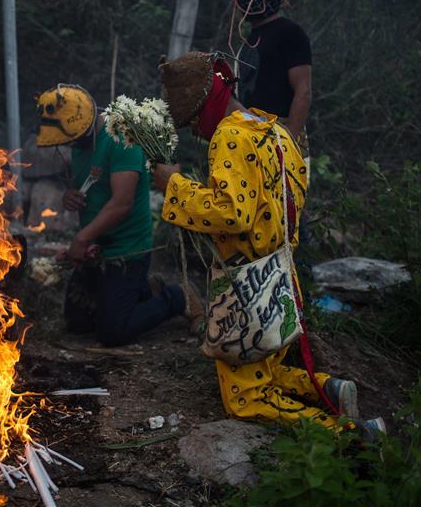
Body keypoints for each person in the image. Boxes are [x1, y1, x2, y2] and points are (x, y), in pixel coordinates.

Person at [152, 52, 385, 436]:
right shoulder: (270, 127)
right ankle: (331, 388)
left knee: (246, 399)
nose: (195, 131)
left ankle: (352, 436)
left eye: (193, 120)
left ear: (206, 105)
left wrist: (173, 187)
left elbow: (232, 213)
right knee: (267, 366)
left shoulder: (229, 136)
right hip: (281, 273)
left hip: (248, 286)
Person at [34, 83, 188, 347]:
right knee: (78, 323)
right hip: (97, 248)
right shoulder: (79, 137)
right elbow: (92, 183)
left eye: (71, 140)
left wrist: (81, 240)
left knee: (112, 333)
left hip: (126, 251)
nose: (68, 145)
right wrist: (70, 195)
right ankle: (142, 290)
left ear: (84, 127)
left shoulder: (121, 139)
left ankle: (174, 296)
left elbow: (121, 203)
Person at [230, 0, 312, 158]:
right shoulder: (251, 38)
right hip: (251, 138)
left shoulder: (290, 32)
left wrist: (288, 142)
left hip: (280, 137)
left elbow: (303, 91)